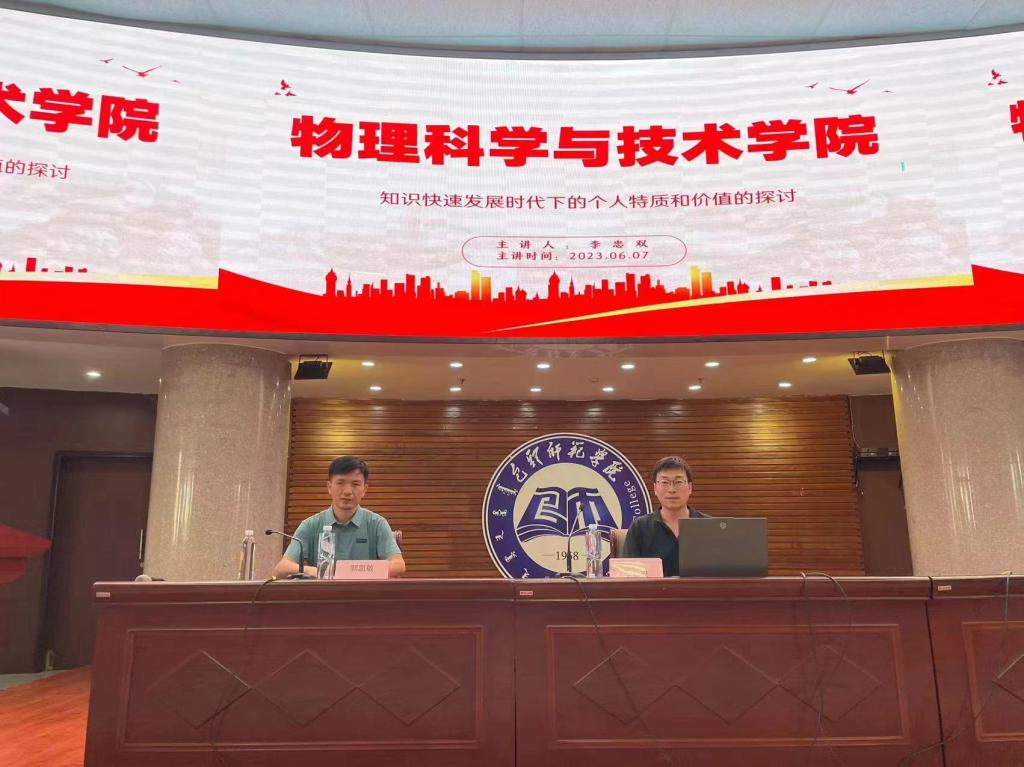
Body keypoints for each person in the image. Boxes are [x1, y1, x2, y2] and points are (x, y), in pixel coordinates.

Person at [273, 455, 406, 578]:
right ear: (329, 487)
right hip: (322, 594)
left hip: (365, 594)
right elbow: (282, 568)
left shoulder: (377, 524)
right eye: (340, 483)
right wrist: (316, 571)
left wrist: (351, 572)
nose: (347, 491)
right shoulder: (310, 525)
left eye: (355, 484)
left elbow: (398, 566)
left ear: (364, 489)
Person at [621, 455, 708, 577]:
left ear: (690, 488)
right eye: (664, 482)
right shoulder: (639, 527)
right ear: (655, 489)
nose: (671, 489)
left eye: (678, 482)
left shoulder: (709, 526)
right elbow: (628, 576)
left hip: (699, 590)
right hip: (653, 590)